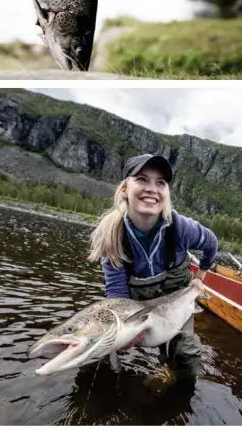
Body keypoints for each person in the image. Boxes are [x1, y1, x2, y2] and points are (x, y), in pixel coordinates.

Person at [88, 154, 218, 384]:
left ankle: (174, 385)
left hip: (177, 304)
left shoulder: (182, 228)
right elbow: (118, 296)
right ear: (125, 189)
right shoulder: (112, 237)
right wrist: (122, 333)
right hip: (135, 309)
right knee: (95, 350)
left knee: (187, 354)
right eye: (142, 179)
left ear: (167, 194)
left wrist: (201, 276)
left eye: (161, 183)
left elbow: (211, 243)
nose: (152, 188)